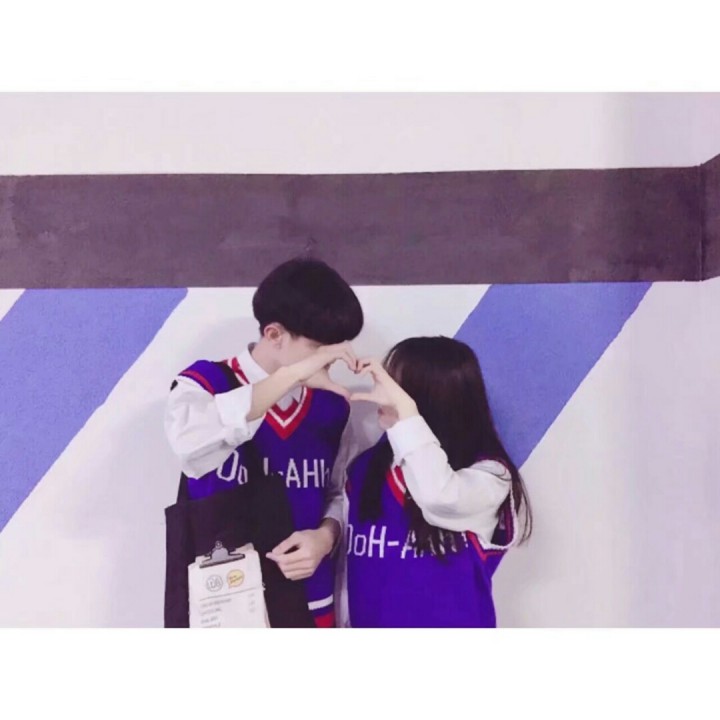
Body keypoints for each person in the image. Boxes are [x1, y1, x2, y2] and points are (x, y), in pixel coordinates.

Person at [165, 257, 363, 627]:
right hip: (226, 605)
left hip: (310, 597)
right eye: (319, 347)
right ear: (274, 335)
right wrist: (291, 376)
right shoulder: (205, 383)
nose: (329, 358)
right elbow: (189, 445)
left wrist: (325, 537)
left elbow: (338, 492)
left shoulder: (331, 405)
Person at [340, 336, 532, 628]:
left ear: (427, 397)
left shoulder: (489, 474)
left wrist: (405, 415)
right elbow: (350, 569)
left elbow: (439, 497)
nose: (380, 393)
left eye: (393, 386)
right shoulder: (365, 467)